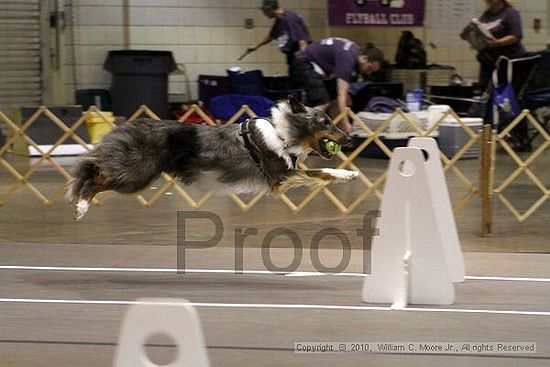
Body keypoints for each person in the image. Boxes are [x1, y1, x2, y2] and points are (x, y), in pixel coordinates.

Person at [291, 37, 384, 133]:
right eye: (369, 69)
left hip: (317, 67)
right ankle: (303, 132)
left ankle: (340, 133)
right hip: (304, 63)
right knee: (322, 101)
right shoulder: (348, 59)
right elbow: (341, 96)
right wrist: (347, 123)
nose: (368, 73)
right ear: (364, 59)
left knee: (334, 100)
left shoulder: (354, 52)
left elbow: (339, 95)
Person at [246, 0, 312, 72]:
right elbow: (271, 36)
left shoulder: (290, 19)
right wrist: (256, 46)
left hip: (299, 58)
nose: (264, 14)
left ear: (270, 9)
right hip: (292, 58)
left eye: (264, 11)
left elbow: (302, 41)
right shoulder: (279, 21)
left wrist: (304, 62)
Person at [473, 0, 526, 88]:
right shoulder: (486, 15)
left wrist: (497, 42)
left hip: (507, 63)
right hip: (489, 63)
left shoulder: (510, 13)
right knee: (485, 92)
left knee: (505, 94)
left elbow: (515, 36)